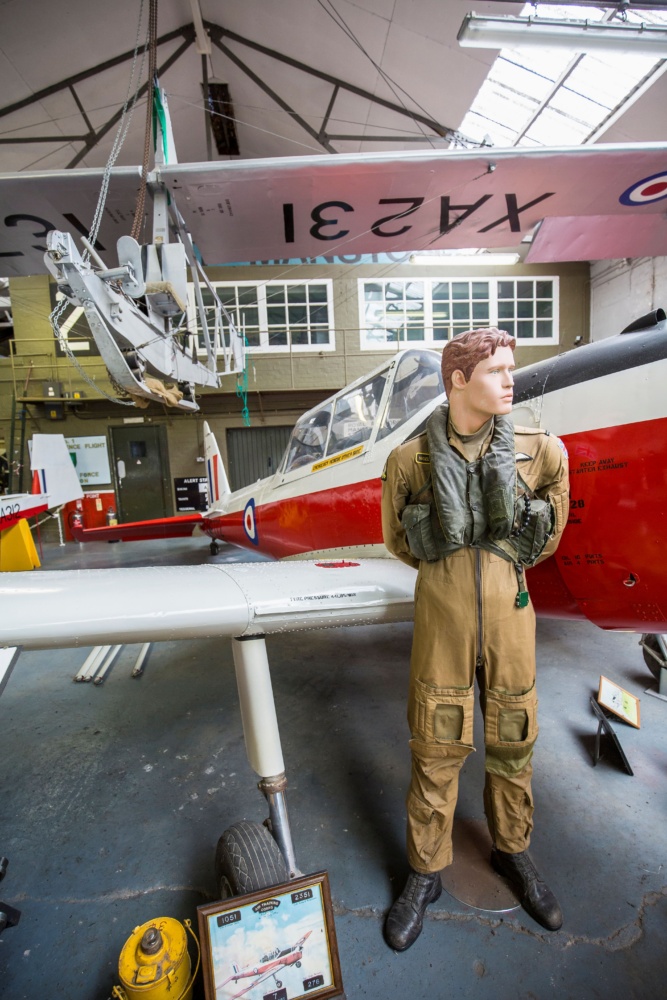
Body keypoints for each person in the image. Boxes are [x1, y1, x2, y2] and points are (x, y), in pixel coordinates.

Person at [381, 327, 569, 951]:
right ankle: (426, 869)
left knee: (515, 737)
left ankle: (513, 851)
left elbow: (550, 534)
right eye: (497, 370)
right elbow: (399, 541)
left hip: (512, 615)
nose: (511, 380)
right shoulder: (409, 462)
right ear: (458, 379)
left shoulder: (542, 453)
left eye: (512, 368)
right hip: (443, 616)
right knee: (435, 744)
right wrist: (455, 581)